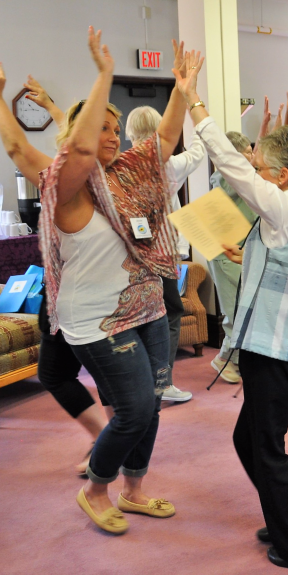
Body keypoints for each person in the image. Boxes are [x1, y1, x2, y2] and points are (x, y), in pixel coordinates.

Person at [0, 28, 191, 534]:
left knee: (153, 405)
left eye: (116, 128)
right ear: (81, 134)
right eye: (104, 127)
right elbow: (27, 147)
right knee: (135, 407)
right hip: (96, 320)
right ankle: (96, 488)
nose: (113, 135)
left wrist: (182, 93)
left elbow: (162, 140)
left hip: (147, 309)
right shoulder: (65, 185)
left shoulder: (129, 172)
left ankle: (134, 489)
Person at [177, 56, 288, 572]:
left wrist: (193, 99)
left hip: (279, 347)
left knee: (264, 443)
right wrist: (247, 256)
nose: (257, 175)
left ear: (282, 175)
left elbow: (231, 164)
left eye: (264, 169)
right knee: (248, 437)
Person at [0, 71, 109, 477]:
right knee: (99, 372)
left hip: (74, 301)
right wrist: (55, 107)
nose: (109, 135)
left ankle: (109, 442)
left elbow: (19, 145)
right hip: (102, 297)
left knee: (56, 374)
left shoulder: (67, 177)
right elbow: (76, 138)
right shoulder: (111, 174)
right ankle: (110, 439)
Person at [124, 105, 203, 404]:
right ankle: (163, 381)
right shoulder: (167, 164)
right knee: (169, 313)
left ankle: (140, 380)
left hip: (132, 256)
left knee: (140, 316)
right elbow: (198, 152)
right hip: (164, 254)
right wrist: (197, 116)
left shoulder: (123, 165)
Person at [207, 131, 257, 384]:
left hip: (241, 253)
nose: (252, 155)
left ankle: (234, 359)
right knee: (235, 310)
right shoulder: (223, 177)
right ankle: (224, 358)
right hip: (224, 253)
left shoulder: (249, 178)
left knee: (244, 308)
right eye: (248, 151)